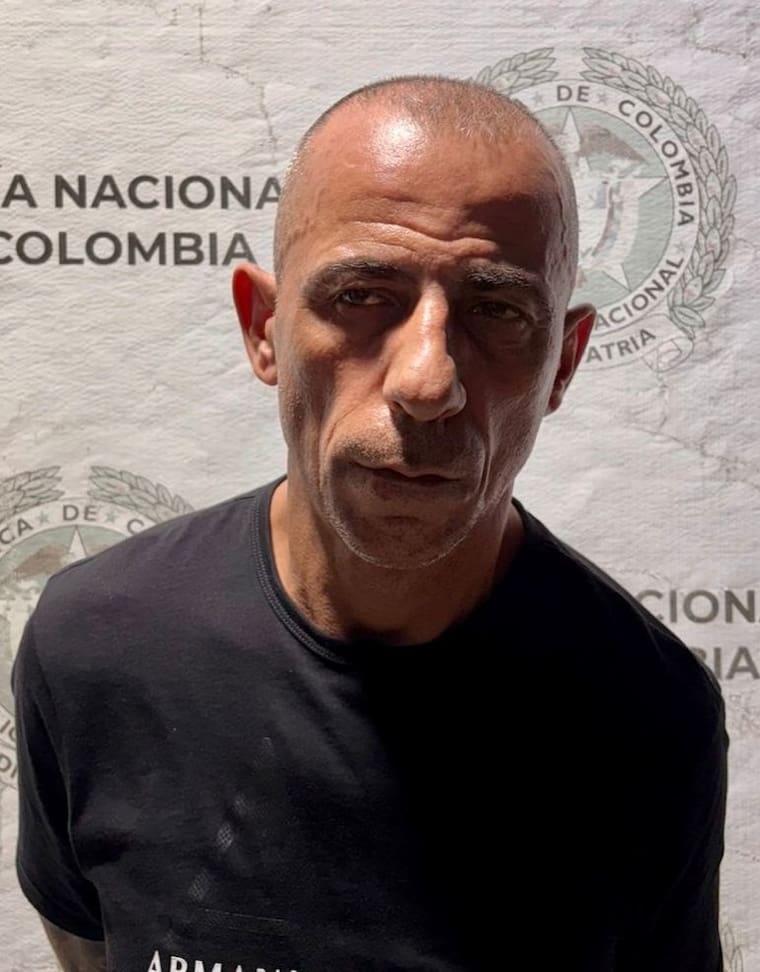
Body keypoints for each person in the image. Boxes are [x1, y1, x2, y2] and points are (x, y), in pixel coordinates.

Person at [14, 76, 727, 972]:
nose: (428, 381)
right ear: (263, 328)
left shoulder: (651, 717)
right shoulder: (94, 645)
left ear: (563, 363)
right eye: (361, 295)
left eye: (497, 310)